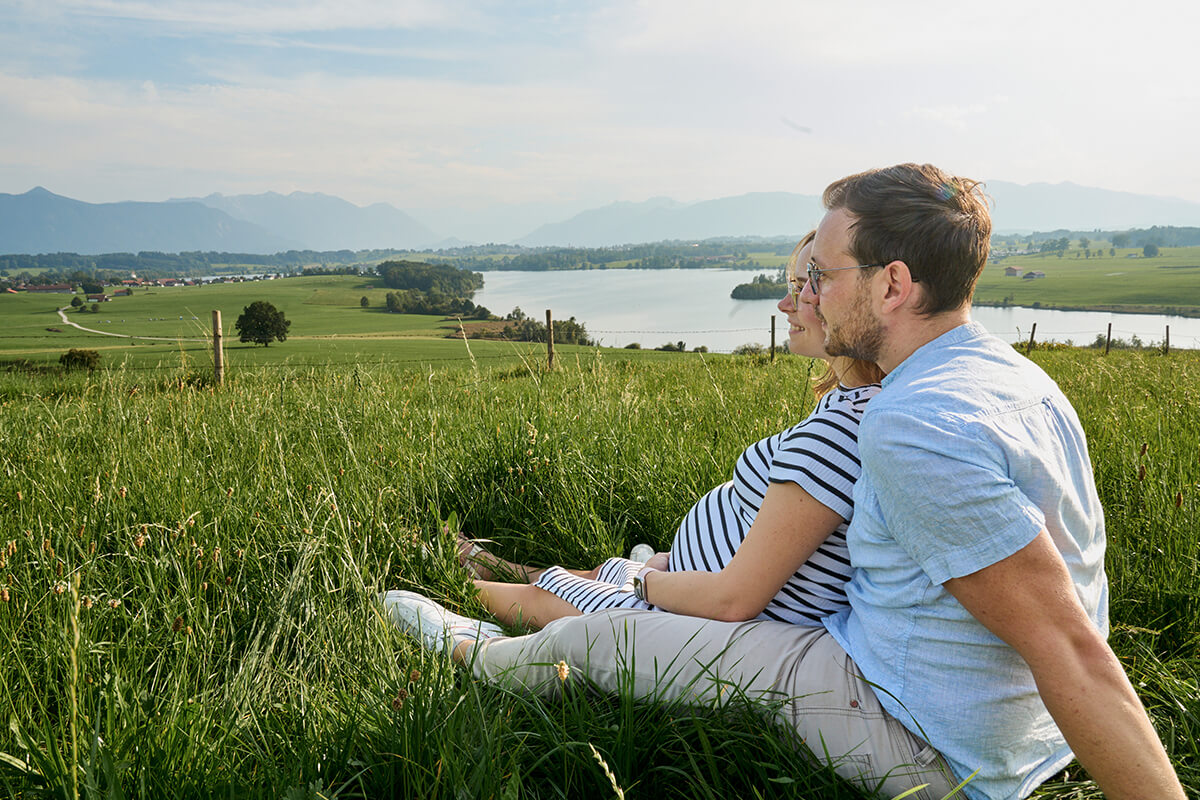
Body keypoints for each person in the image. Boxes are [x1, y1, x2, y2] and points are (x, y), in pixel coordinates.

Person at [382, 164, 1186, 800]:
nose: (808, 297)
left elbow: (1065, 642)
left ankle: (471, 653)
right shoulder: (1015, 378)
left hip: (926, 740)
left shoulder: (914, 425)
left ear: (893, 285)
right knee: (636, 614)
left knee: (593, 641)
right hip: (991, 719)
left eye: (824, 276)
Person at [448, 232, 883, 631]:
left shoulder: (842, 430)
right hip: (685, 583)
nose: (787, 303)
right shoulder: (850, 403)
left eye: (808, 286)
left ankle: (451, 581)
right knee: (602, 573)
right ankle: (497, 566)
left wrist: (649, 582)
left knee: (539, 598)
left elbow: (735, 599)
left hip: (691, 617)